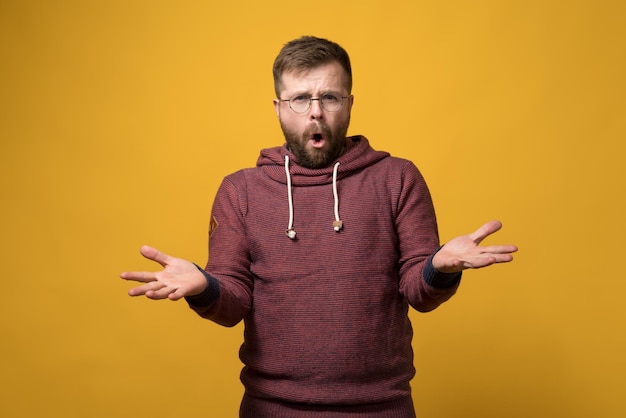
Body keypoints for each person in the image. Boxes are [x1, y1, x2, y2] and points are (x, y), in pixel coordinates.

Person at [121, 36, 518, 418]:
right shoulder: (240, 191)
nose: (315, 111)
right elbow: (232, 305)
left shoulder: (398, 178)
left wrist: (439, 267)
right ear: (278, 107)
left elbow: (420, 293)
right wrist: (204, 285)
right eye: (300, 99)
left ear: (349, 103)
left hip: (381, 408)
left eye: (329, 97)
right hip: (270, 408)